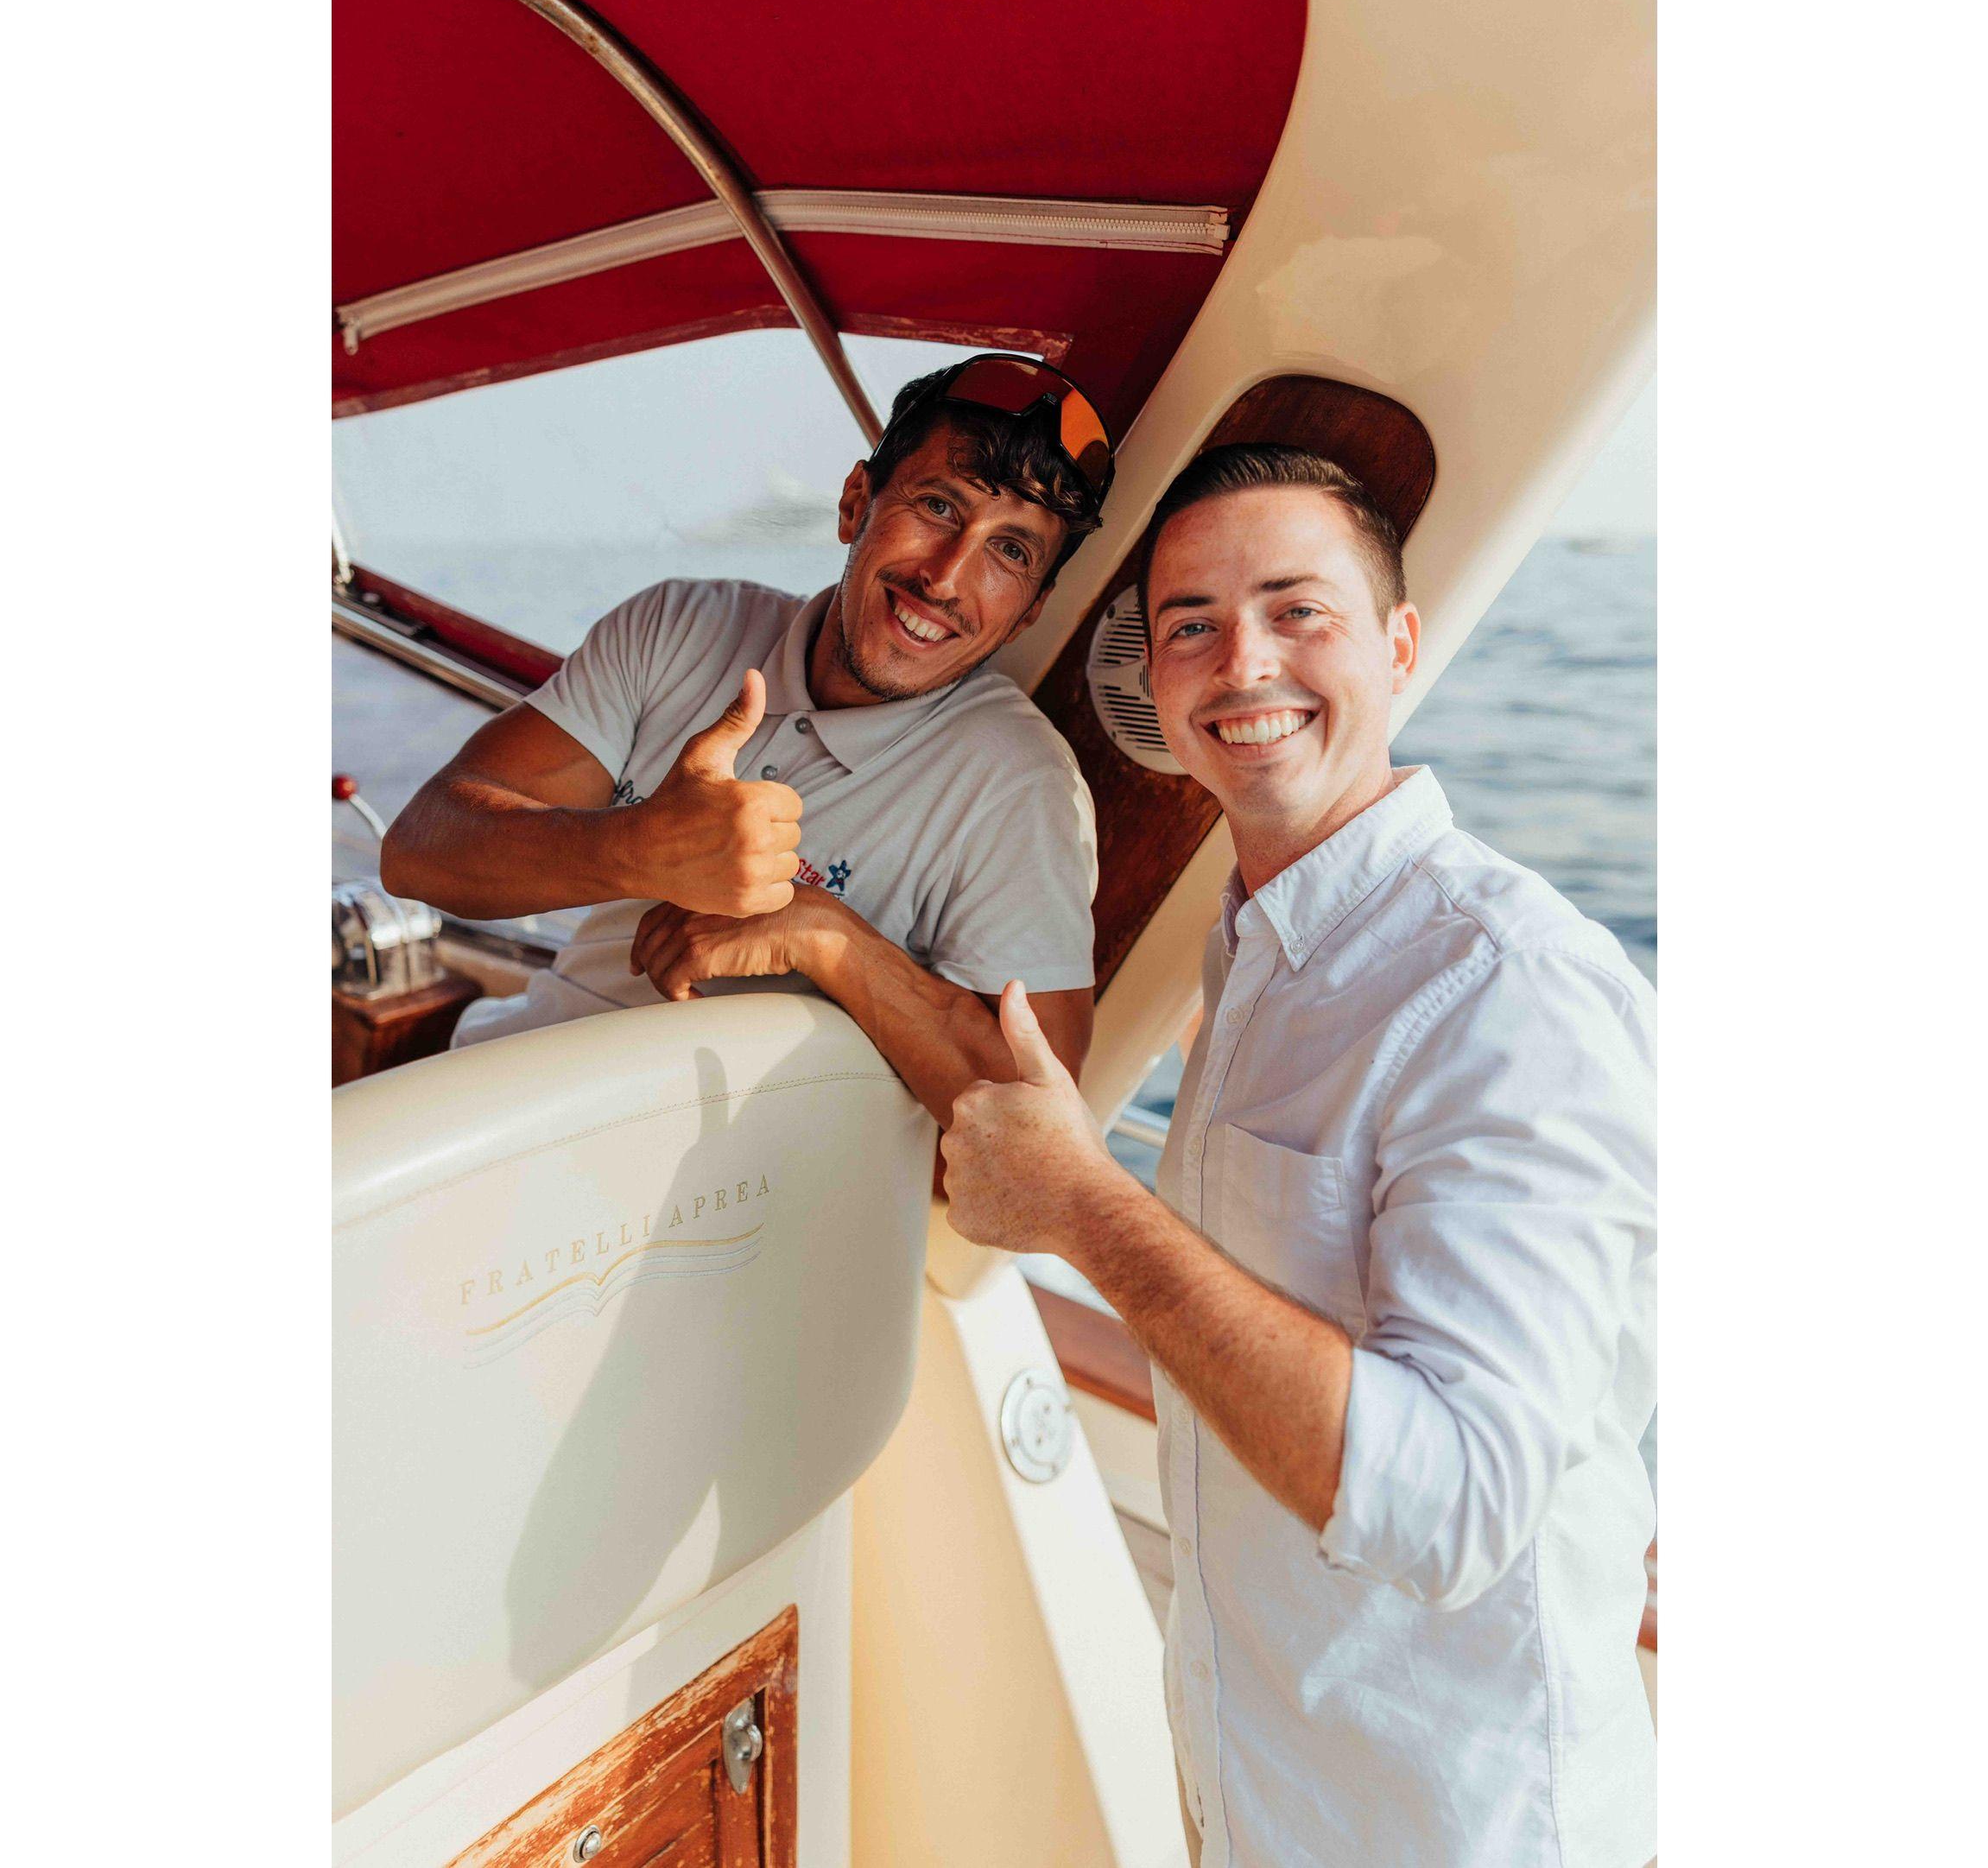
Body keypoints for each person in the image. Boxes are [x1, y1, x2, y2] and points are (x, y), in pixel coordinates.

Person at [939, 445, 1657, 1868]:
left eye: (1296, 610)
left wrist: (1085, 1205)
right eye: (1190, 625)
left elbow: (1454, 1499)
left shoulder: (1507, 988)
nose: (1241, 661)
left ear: (1399, 643)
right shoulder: (1258, 947)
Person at [382, 356, 1115, 1117]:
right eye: (937, 506)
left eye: (1010, 551)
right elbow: (417, 853)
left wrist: (822, 935)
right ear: (855, 503)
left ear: (1030, 611)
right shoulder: (678, 627)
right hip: (498, 1100)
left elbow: (1042, 1115)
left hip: (725, 1181)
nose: (948, 576)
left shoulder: (1022, 786)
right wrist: (636, 848)